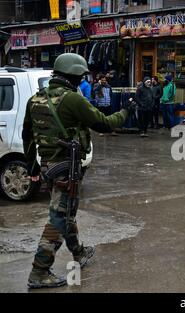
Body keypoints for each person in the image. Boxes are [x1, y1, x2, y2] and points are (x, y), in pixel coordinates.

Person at [22, 53, 133, 289]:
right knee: (59, 218)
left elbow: (28, 138)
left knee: (66, 211)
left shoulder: (35, 100)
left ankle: (79, 252)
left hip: (49, 166)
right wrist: (125, 113)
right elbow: (103, 123)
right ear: (73, 77)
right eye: (80, 76)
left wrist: (33, 167)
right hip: (66, 168)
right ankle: (39, 271)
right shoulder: (72, 100)